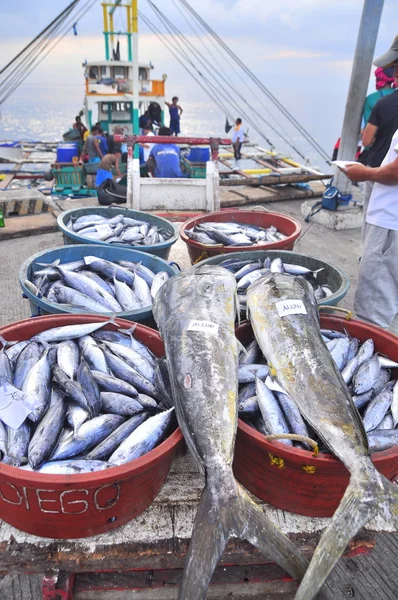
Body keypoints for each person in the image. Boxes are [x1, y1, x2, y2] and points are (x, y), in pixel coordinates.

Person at [344, 37, 398, 330]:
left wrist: (365, 173)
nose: (395, 76)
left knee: (372, 317)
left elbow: (394, 169)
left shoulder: (382, 103)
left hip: (391, 227)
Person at [360, 52, 398, 221]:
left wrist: (361, 173)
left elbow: (367, 140)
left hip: (378, 169)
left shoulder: (377, 102)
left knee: (372, 222)